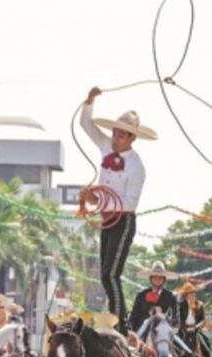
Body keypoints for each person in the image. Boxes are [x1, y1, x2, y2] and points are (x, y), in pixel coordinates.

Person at [80, 86, 156, 335]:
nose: (115, 138)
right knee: (106, 275)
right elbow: (86, 125)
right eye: (114, 133)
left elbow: (130, 202)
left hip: (123, 221)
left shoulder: (136, 166)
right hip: (107, 220)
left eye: (122, 135)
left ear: (132, 138)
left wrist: (97, 199)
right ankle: (117, 319)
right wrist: (89, 102)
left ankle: (121, 324)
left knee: (110, 274)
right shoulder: (105, 146)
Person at [176, 281, 211, 357]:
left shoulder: (199, 305)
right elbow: (178, 318)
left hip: (195, 331)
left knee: (205, 341)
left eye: (192, 293)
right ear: (185, 295)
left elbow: (203, 320)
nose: (191, 295)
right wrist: (183, 327)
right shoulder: (181, 305)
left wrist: (196, 327)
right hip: (183, 331)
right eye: (188, 293)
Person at [129, 262, 177, 333]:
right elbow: (134, 316)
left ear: (164, 279)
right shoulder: (141, 295)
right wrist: (131, 331)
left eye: (160, 278)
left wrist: (165, 318)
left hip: (163, 330)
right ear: (151, 278)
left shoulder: (170, 296)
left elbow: (174, 317)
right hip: (142, 329)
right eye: (155, 277)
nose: (157, 280)